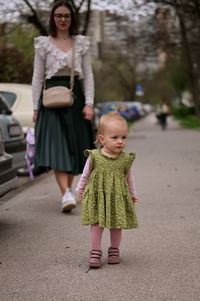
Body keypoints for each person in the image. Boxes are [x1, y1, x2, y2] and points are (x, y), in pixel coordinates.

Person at [32, 0, 94, 213]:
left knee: (76, 148)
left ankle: (68, 189)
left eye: (66, 16)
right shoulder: (43, 44)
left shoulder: (82, 43)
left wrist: (89, 104)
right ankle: (66, 193)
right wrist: (34, 107)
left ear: (72, 18)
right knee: (57, 145)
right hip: (50, 100)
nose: (62, 19)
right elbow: (37, 77)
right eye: (58, 15)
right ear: (53, 18)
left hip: (75, 97)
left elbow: (88, 76)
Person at [76, 108, 139, 268]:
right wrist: (80, 190)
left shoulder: (125, 159)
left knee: (116, 224)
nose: (120, 141)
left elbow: (129, 178)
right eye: (115, 137)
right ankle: (95, 251)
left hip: (117, 196)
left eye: (124, 137)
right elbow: (85, 174)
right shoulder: (94, 156)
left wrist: (132, 194)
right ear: (102, 139)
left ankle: (114, 250)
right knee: (96, 224)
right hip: (98, 196)